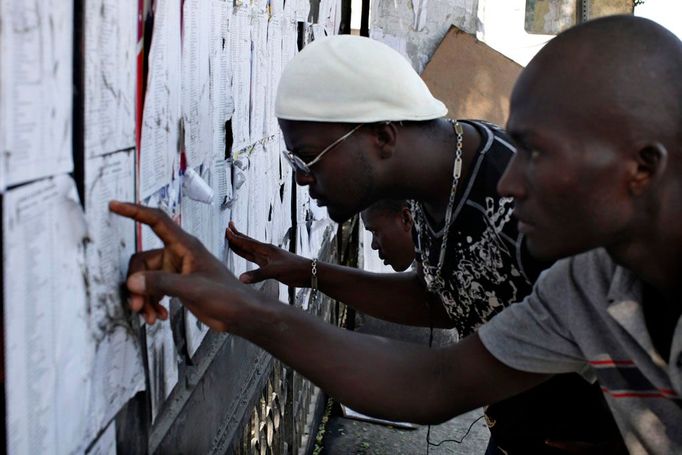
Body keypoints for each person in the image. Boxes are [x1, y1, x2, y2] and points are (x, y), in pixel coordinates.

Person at [111, 15, 682, 454]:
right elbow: (436, 371)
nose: (511, 182)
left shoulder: (530, 225)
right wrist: (250, 301)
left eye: (535, 153)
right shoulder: (585, 284)